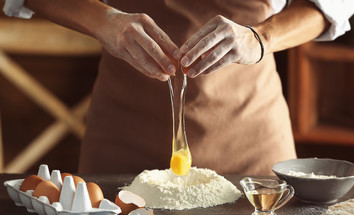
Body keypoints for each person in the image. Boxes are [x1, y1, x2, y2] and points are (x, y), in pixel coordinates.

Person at [3, 0, 354, 175]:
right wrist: (103, 21)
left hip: (250, 145)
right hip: (121, 142)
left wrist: (259, 37)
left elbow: (331, 5)